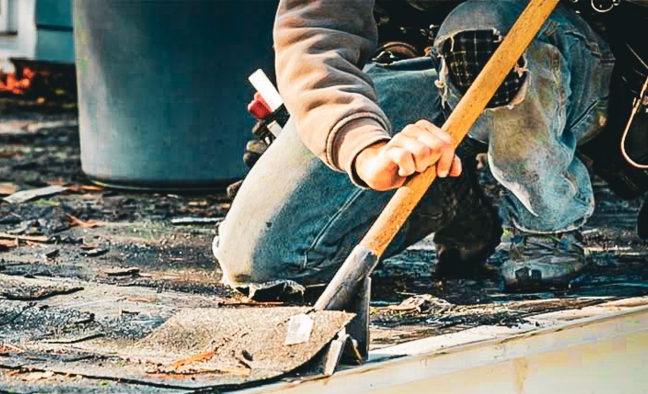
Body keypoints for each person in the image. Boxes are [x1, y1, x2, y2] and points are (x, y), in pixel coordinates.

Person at [213, 0, 616, 297]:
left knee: (480, 27)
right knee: (265, 260)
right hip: (414, 65)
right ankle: (448, 192)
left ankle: (546, 225)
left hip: (558, 51)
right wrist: (365, 148)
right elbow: (315, 37)